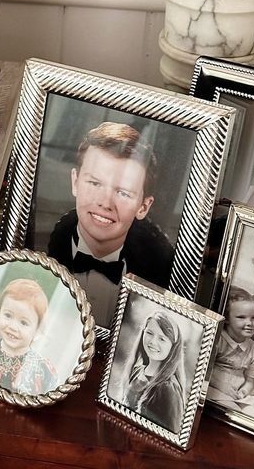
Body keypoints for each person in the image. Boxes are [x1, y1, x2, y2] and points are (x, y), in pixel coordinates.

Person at [47, 122, 174, 329]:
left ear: (143, 207)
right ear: (75, 182)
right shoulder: (37, 253)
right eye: (95, 183)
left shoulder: (162, 283)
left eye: (123, 192)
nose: (105, 203)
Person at [0, 278, 58, 394]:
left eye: (23, 322)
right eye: (8, 315)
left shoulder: (42, 372)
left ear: (37, 331)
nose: (13, 327)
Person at [120, 311, 186, 433]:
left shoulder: (168, 388)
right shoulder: (137, 371)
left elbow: (172, 433)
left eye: (162, 339)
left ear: (173, 347)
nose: (153, 342)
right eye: (149, 333)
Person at [207, 286, 254, 414]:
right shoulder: (218, 340)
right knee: (231, 411)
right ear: (228, 319)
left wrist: (244, 391)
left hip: (238, 394)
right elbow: (205, 371)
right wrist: (222, 387)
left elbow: (250, 380)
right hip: (214, 389)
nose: (249, 323)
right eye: (241, 317)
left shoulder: (253, 349)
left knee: (252, 414)